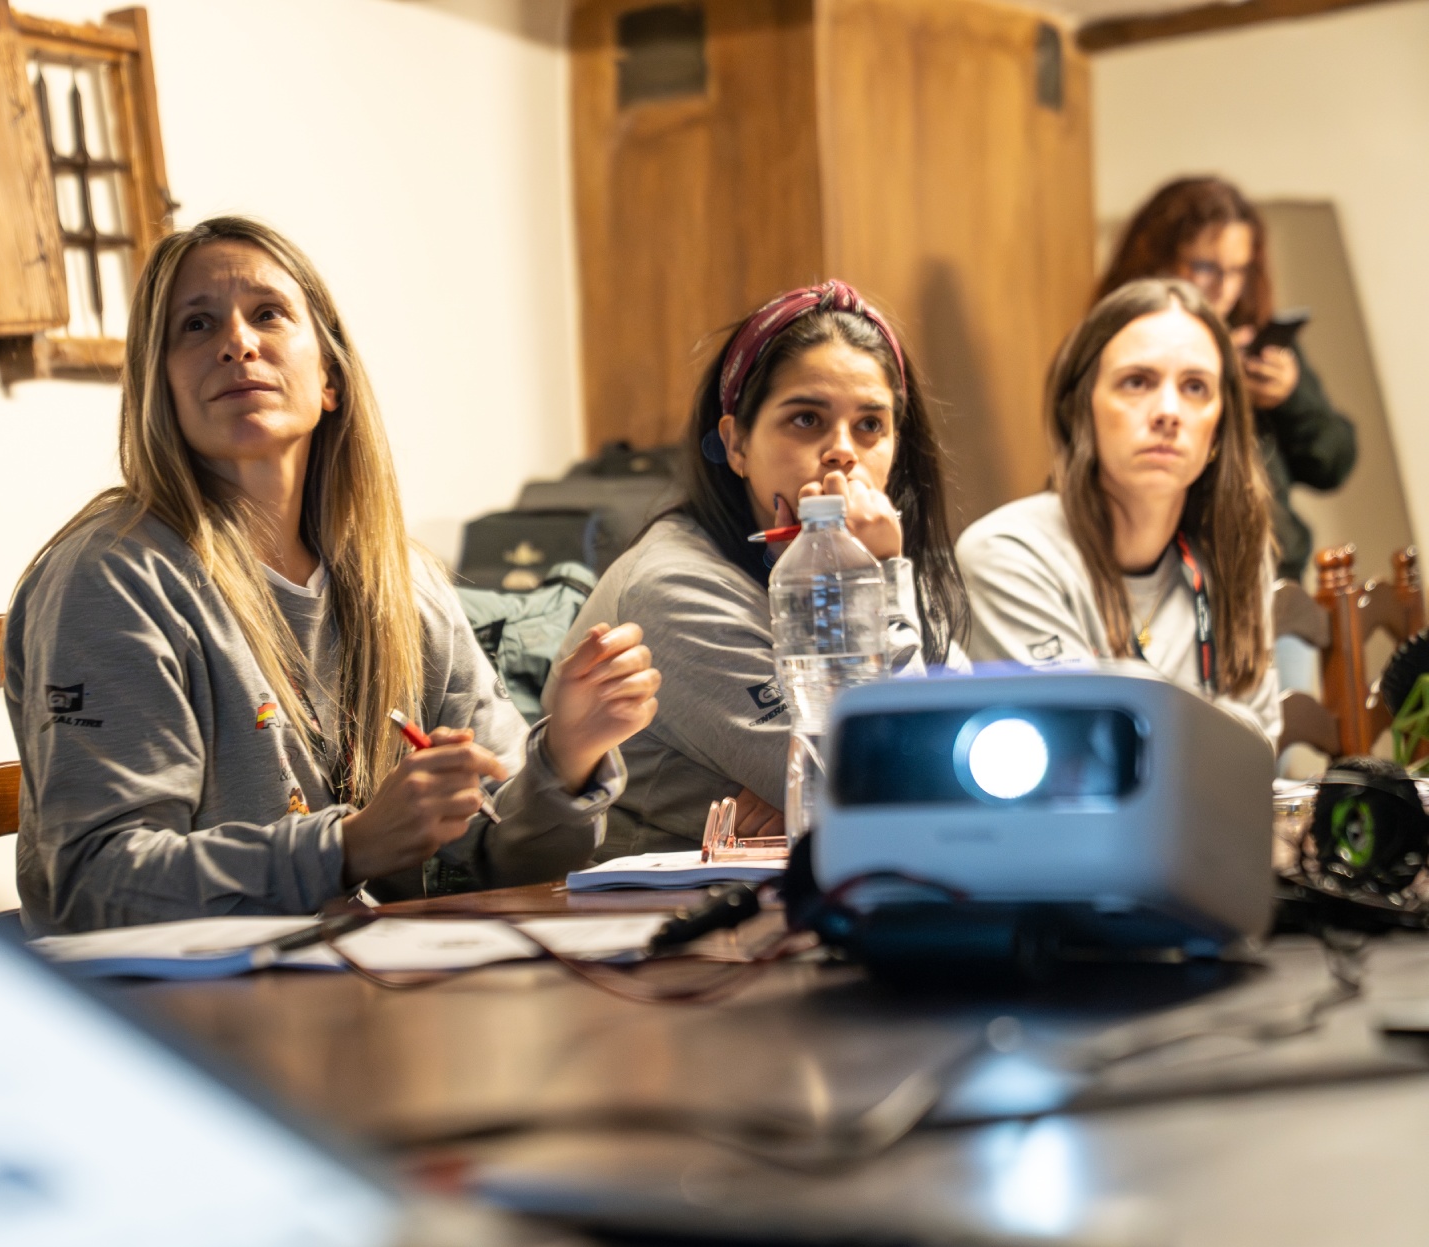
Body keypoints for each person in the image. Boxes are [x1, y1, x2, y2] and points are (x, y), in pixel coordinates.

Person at [7, 216, 659, 931]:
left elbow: (502, 863)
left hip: (378, 974)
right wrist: (348, 847)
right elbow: (96, 887)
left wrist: (567, 756)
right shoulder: (111, 579)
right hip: (185, 994)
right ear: (158, 385)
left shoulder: (404, 583)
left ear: (330, 379)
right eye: (196, 325)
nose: (237, 342)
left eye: (268, 314)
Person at [558, 281, 970, 857]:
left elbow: (965, 768)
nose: (843, 451)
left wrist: (813, 795)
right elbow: (896, 794)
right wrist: (875, 580)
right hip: (670, 907)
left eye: (871, 425)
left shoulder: (877, 554)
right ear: (737, 445)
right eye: (806, 419)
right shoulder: (673, 588)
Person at [958, 278, 1280, 743]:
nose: (1168, 411)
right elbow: (1083, 753)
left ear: (1220, 425)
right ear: (1080, 409)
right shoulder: (1006, 556)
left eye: (1195, 387)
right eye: (1137, 382)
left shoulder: (1236, 550)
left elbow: (1257, 749)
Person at [1099, 176, 1354, 581]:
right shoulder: (1121, 346)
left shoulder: (1257, 340)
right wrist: (1211, 383)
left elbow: (1334, 464)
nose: (1223, 288)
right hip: (1173, 575)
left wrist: (1291, 398)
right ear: (1157, 260)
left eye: (1238, 270)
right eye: (1205, 268)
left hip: (1276, 572)